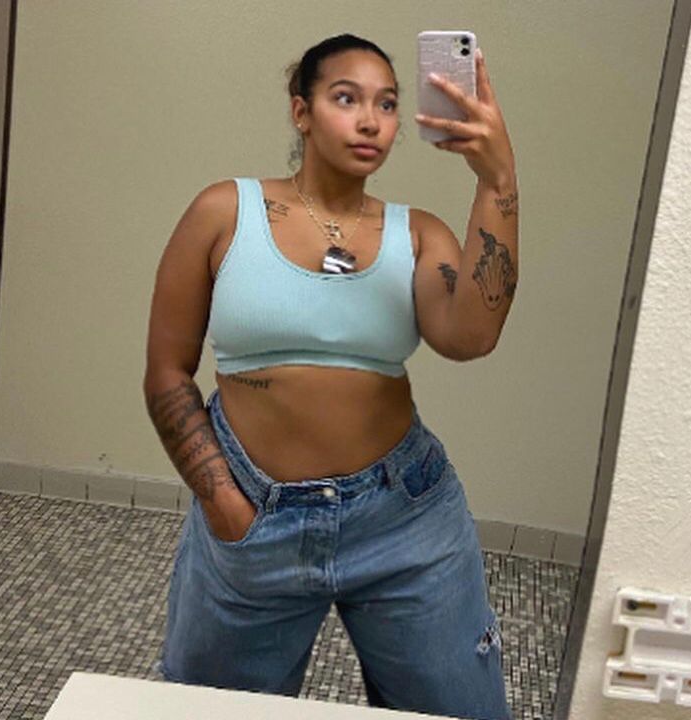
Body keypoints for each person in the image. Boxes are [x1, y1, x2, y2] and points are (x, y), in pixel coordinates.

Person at [143, 32, 518, 720]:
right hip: (254, 512)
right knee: (209, 713)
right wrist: (226, 504)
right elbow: (167, 372)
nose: (371, 120)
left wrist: (497, 182)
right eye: (346, 99)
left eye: (388, 104)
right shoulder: (224, 212)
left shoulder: (417, 235)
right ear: (302, 111)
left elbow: (471, 335)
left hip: (405, 517)